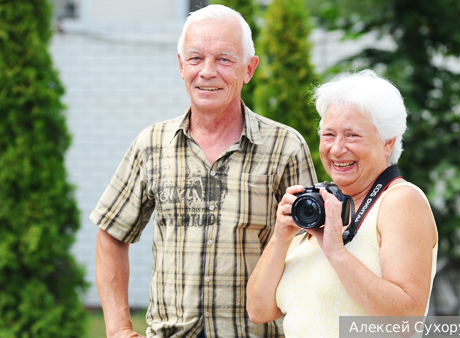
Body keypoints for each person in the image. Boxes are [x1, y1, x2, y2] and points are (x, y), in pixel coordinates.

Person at [91, 5, 316, 338]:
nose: (208, 72)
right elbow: (111, 234)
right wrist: (119, 328)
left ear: (249, 69)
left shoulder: (286, 147)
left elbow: (311, 249)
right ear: (181, 66)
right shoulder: (151, 144)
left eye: (224, 59)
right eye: (196, 59)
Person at [246, 70, 438, 337]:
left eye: (352, 136)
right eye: (329, 135)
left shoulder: (400, 201)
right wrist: (280, 237)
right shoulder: (319, 205)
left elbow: (405, 321)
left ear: (388, 142)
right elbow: (259, 311)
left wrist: (336, 253)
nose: (336, 149)